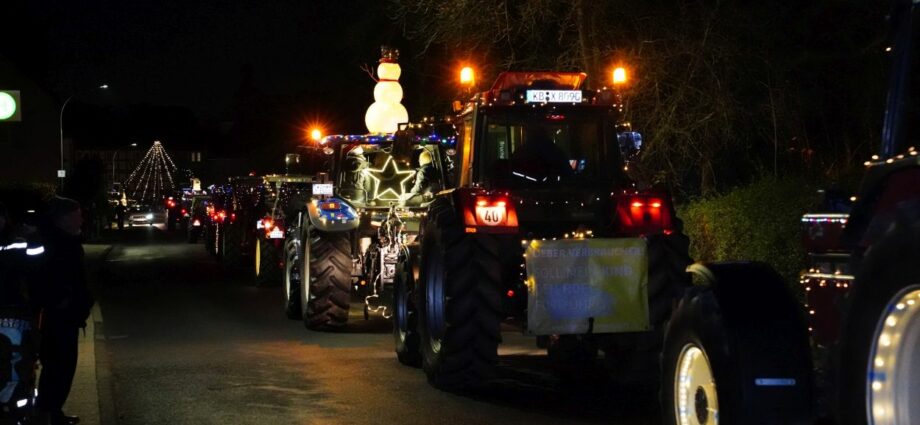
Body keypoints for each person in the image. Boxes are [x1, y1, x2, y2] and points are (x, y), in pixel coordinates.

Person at [33, 197, 93, 425]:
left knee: (61, 367)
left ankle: (52, 411)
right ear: (65, 218)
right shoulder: (57, 243)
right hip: (59, 316)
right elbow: (56, 277)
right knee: (58, 366)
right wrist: (64, 301)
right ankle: (49, 413)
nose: (82, 219)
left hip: (66, 313)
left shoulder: (65, 239)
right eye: (78, 215)